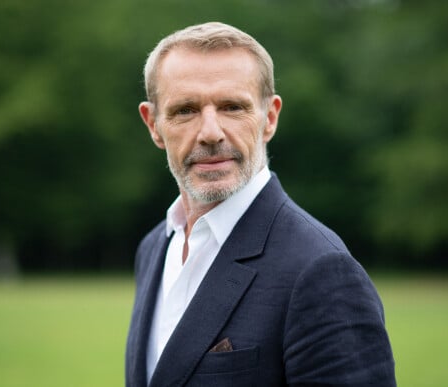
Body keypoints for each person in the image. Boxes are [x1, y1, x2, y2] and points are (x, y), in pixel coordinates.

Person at [126, 22, 396, 387]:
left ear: (269, 118)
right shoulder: (155, 247)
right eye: (186, 110)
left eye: (232, 107)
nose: (210, 132)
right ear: (154, 124)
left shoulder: (321, 271)